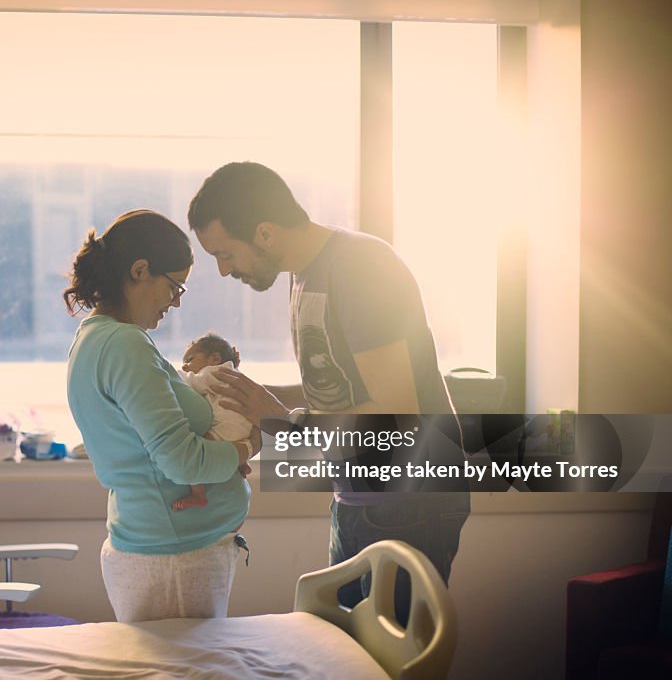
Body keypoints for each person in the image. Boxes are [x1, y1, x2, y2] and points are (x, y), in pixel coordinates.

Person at [186, 161, 470, 625]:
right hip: (358, 497)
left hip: (410, 500)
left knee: (388, 660)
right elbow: (338, 388)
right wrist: (247, 395)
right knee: (351, 653)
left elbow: (393, 414)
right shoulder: (304, 274)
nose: (222, 271)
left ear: (265, 233)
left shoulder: (361, 268)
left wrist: (278, 419)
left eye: (225, 253)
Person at [63, 209, 259, 623]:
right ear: (139, 271)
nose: (177, 301)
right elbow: (181, 460)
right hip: (175, 557)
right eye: (175, 286)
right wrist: (246, 448)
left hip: (170, 548)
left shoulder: (97, 337)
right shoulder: (124, 345)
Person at [174, 332, 254, 511]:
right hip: (242, 428)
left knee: (196, 455)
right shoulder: (232, 373)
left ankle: (198, 493)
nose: (185, 367)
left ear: (215, 358)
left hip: (228, 428)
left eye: (190, 359)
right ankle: (241, 464)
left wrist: (169, 373)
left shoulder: (214, 372)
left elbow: (188, 383)